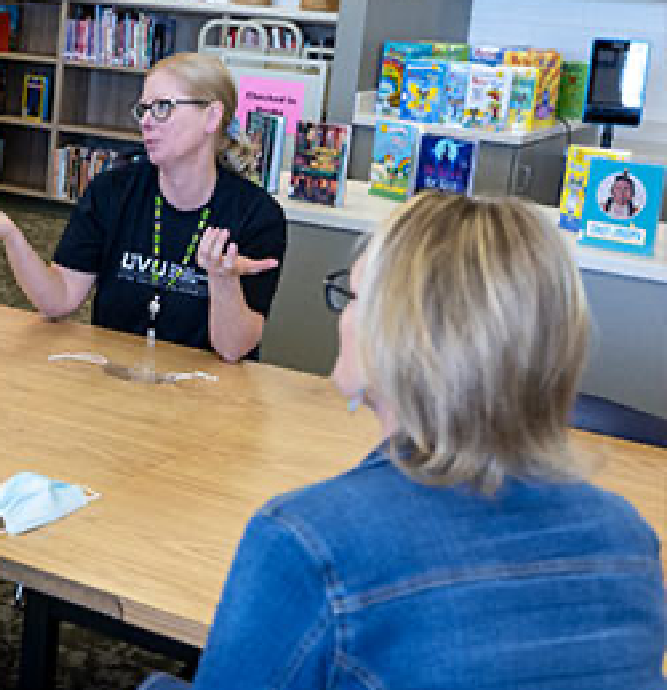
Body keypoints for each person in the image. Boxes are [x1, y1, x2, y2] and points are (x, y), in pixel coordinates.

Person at [141, 193, 667, 690]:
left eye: (350, 297)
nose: (342, 318)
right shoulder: (629, 539)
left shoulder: (306, 541)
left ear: (401, 333)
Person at [0, 52, 286, 362]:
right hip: (115, 381)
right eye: (143, 109)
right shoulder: (112, 191)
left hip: (207, 398)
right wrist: (11, 236)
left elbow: (232, 349)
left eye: (163, 107)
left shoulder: (257, 216)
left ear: (212, 118)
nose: (147, 121)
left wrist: (222, 281)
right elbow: (58, 300)